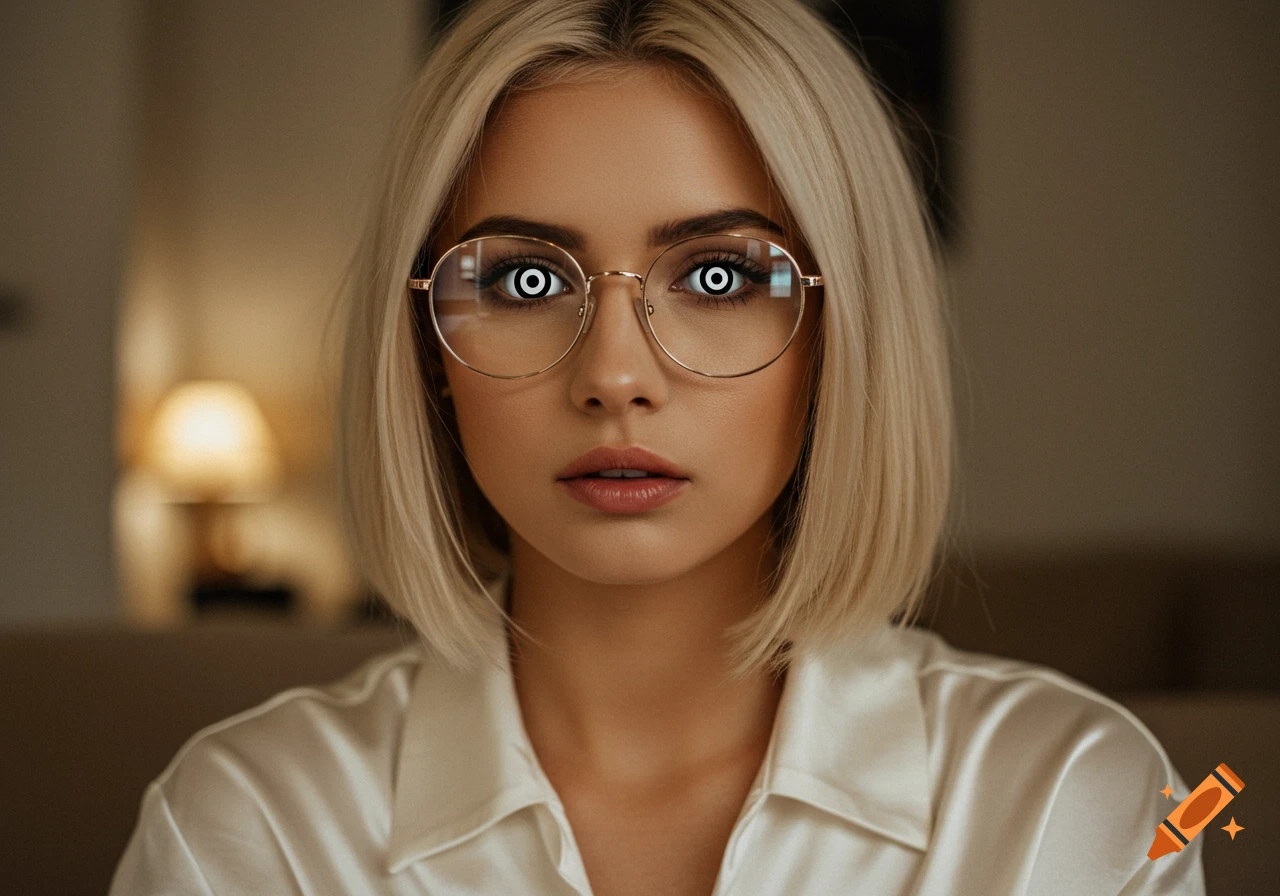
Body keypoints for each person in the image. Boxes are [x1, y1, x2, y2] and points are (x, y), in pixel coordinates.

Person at [109, 1, 1207, 894]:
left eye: (720, 276)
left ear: (841, 336)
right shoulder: (251, 827)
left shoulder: (1079, 805)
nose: (615, 376)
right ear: (424, 348)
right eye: (522, 279)